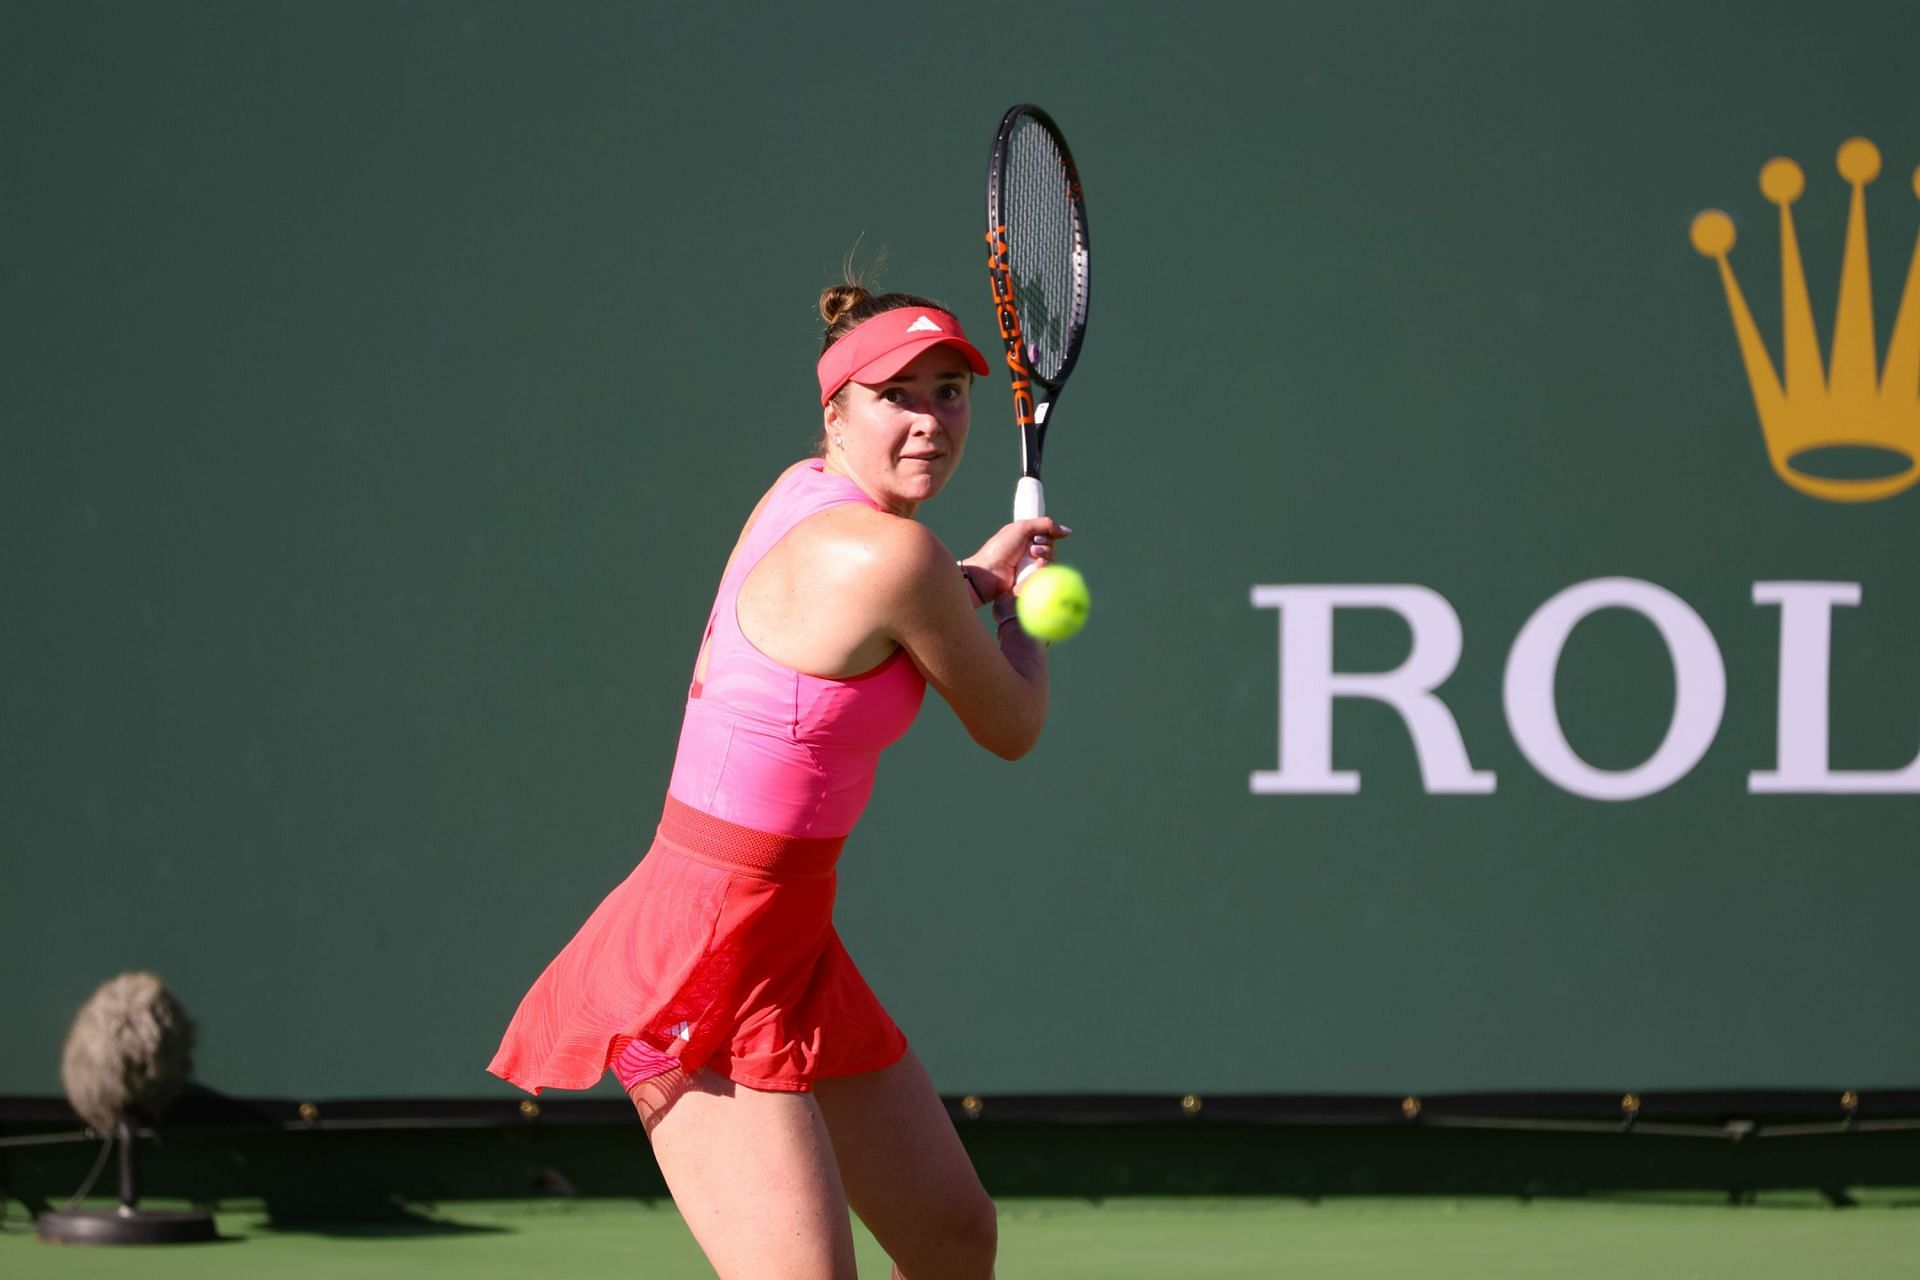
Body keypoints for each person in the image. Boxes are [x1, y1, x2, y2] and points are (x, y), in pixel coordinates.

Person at [488, 283, 1069, 1279]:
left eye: (950, 391)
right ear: (836, 412)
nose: (932, 419)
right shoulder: (895, 554)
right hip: (702, 955)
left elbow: (871, 613)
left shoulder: (804, 490)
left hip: (788, 942)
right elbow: (1011, 725)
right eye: (899, 395)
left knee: (950, 1237)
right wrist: (1015, 613)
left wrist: (971, 581)